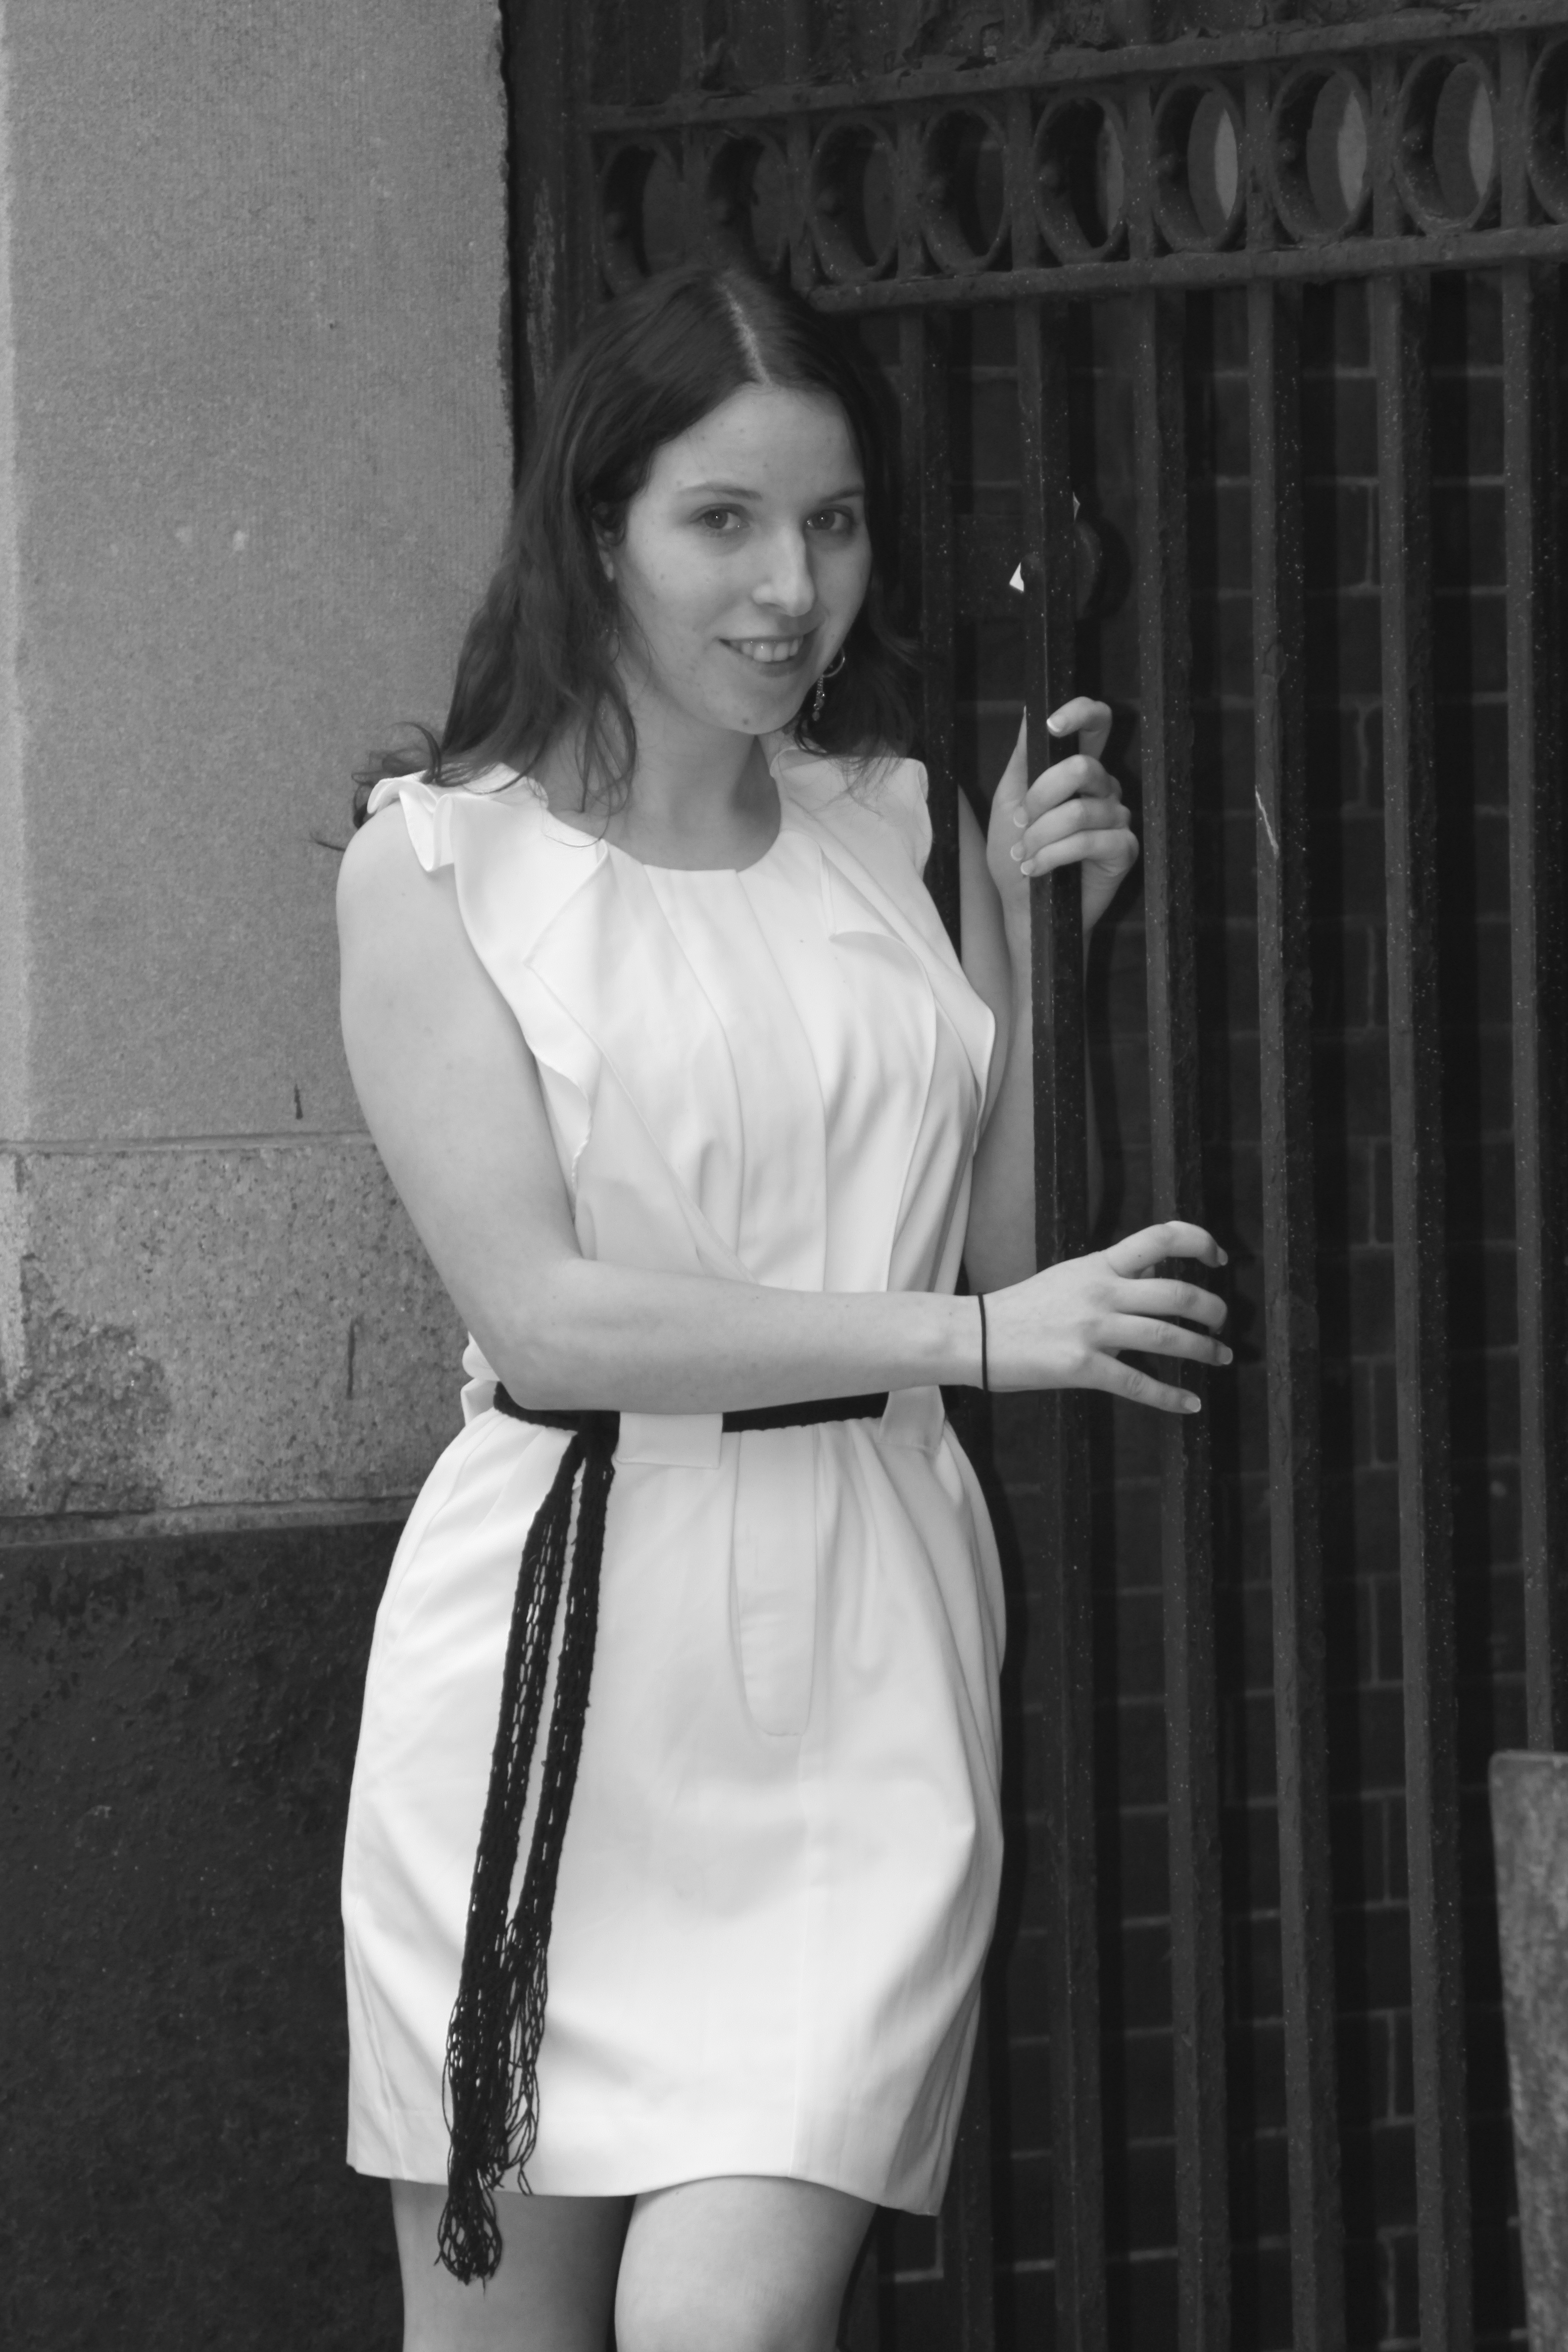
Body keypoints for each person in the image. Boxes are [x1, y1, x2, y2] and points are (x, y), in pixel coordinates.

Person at [336, 259, 1229, 2352]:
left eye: (829, 523)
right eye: (721, 521)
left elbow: (1001, 1254)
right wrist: (973, 1347)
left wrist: (1034, 947)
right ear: (599, 532)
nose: (789, 587)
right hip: (556, 1648)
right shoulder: (438, 870)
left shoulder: (890, 831)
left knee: (724, 2322)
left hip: (867, 1643)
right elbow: (550, 1323)